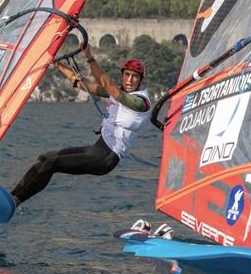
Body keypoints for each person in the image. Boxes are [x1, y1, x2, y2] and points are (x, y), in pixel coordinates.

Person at [10, 45, 151, 207]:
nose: (130, 80)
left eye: (135, 77)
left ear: (141, 80)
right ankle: (12, 196)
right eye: (127, 75)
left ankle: (15, 202)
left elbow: (106, 83)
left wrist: (89, 56)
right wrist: (57, 64)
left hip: (106, 158)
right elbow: (82, 84)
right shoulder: (118, 92)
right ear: (122, 75)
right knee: (45, 157)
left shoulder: (140, 102)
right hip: (97, 148)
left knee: (52, 164)